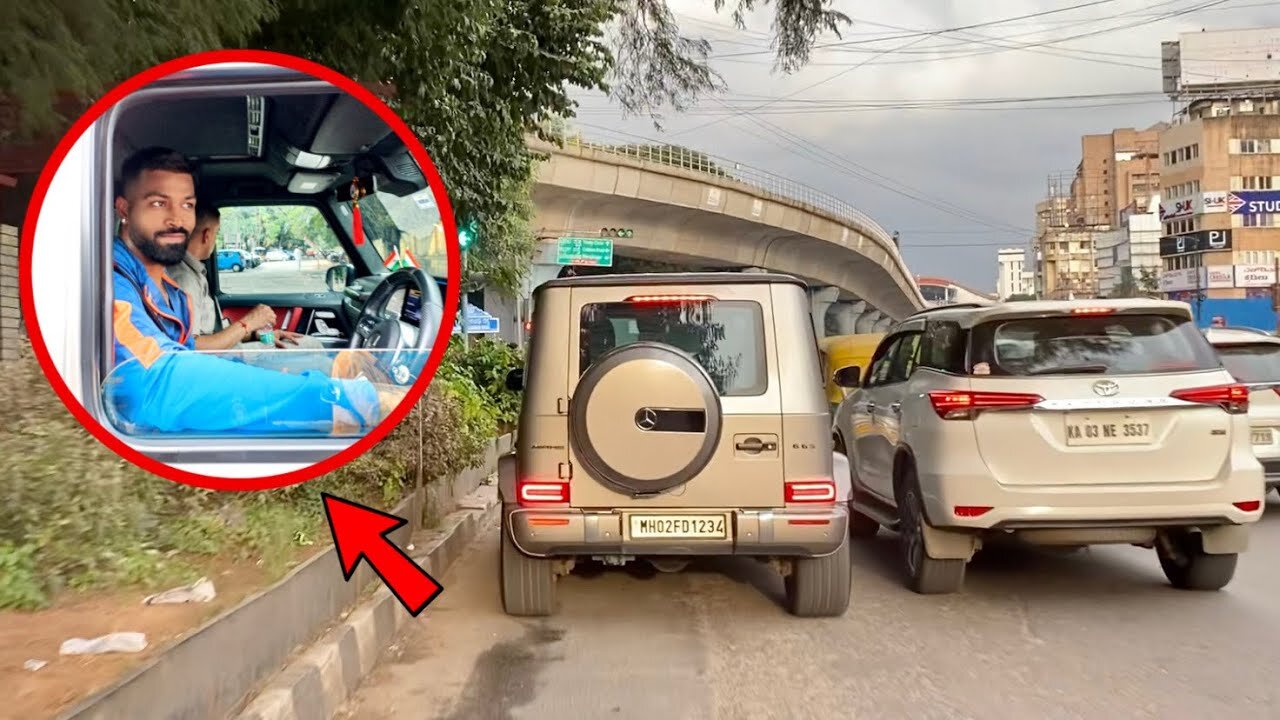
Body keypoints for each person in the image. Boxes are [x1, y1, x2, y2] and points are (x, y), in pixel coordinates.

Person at [107, 146, 404, 436]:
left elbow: (186, 354)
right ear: (124, 209)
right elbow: (156, 380)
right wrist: (346, 399)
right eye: (158, 203)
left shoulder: (169, 291)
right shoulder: (113, 286)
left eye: (187, 205)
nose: (178, 219)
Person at [168, 201, 325, 352]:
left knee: (307, 343)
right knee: (313, 346)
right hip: (222, 362)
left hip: (227, 352)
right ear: (207, 235)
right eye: (217, 233)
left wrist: (255, 335)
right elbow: (192, 348)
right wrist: (248, 322)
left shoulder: (194, 273)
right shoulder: (184, 279)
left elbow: (213, 333)